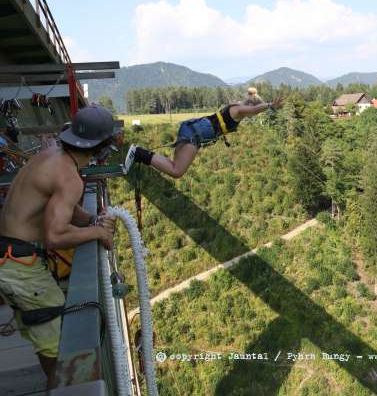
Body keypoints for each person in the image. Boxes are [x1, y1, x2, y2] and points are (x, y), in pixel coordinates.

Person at [0, 105, 118, 390]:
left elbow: (62, 207)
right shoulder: (70, 177)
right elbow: (55, 235)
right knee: (63, 345)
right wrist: (98, 232)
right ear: (100, 148)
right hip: (21, 267)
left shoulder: (51, 156)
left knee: (47, 343)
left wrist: (91, 219)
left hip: (8, 257)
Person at [123, 94, 284, 178]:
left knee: (174, 166)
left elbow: (252, 110)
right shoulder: (238, 110)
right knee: (177, 171)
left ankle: (138, 154)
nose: (252, 115)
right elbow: (254, 110)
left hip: (191, 129)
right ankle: (138, 153)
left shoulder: (236, 108)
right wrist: (270, 105)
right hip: (194, 134)